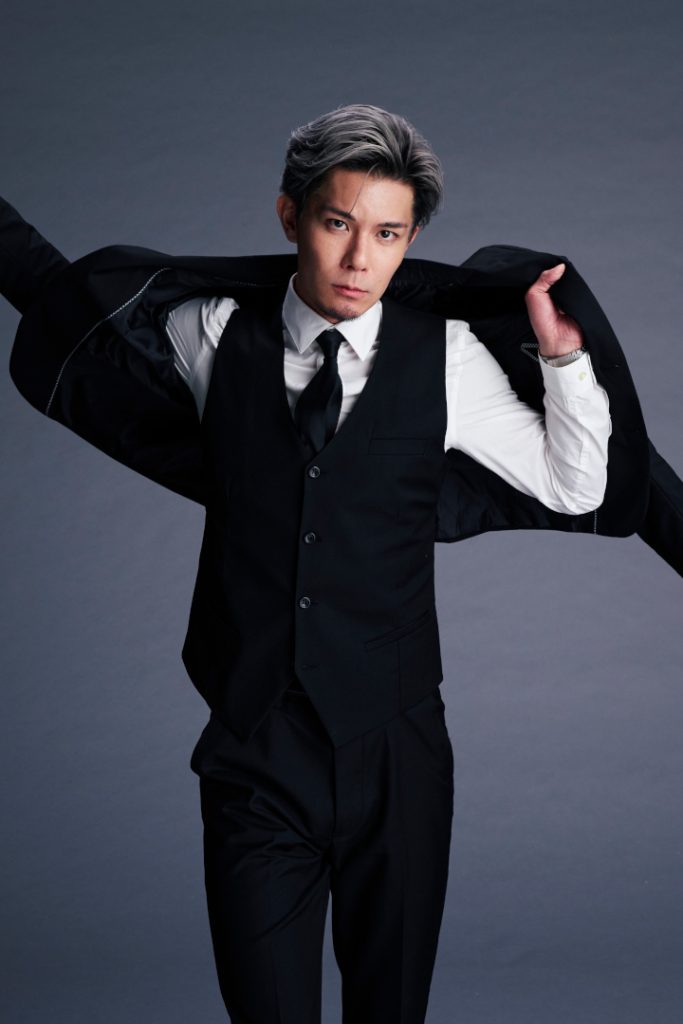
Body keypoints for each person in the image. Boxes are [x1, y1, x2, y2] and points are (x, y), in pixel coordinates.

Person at [1, 104, 680, 1024]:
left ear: (410, 241)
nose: (361, 259)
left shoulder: (446, 358)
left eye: (388, 234)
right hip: (255, 756)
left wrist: (561, 362)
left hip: (396, 760)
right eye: (337, 223)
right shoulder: (210, 334)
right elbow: (66, 302)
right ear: (290, 216)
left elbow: (576, 485)